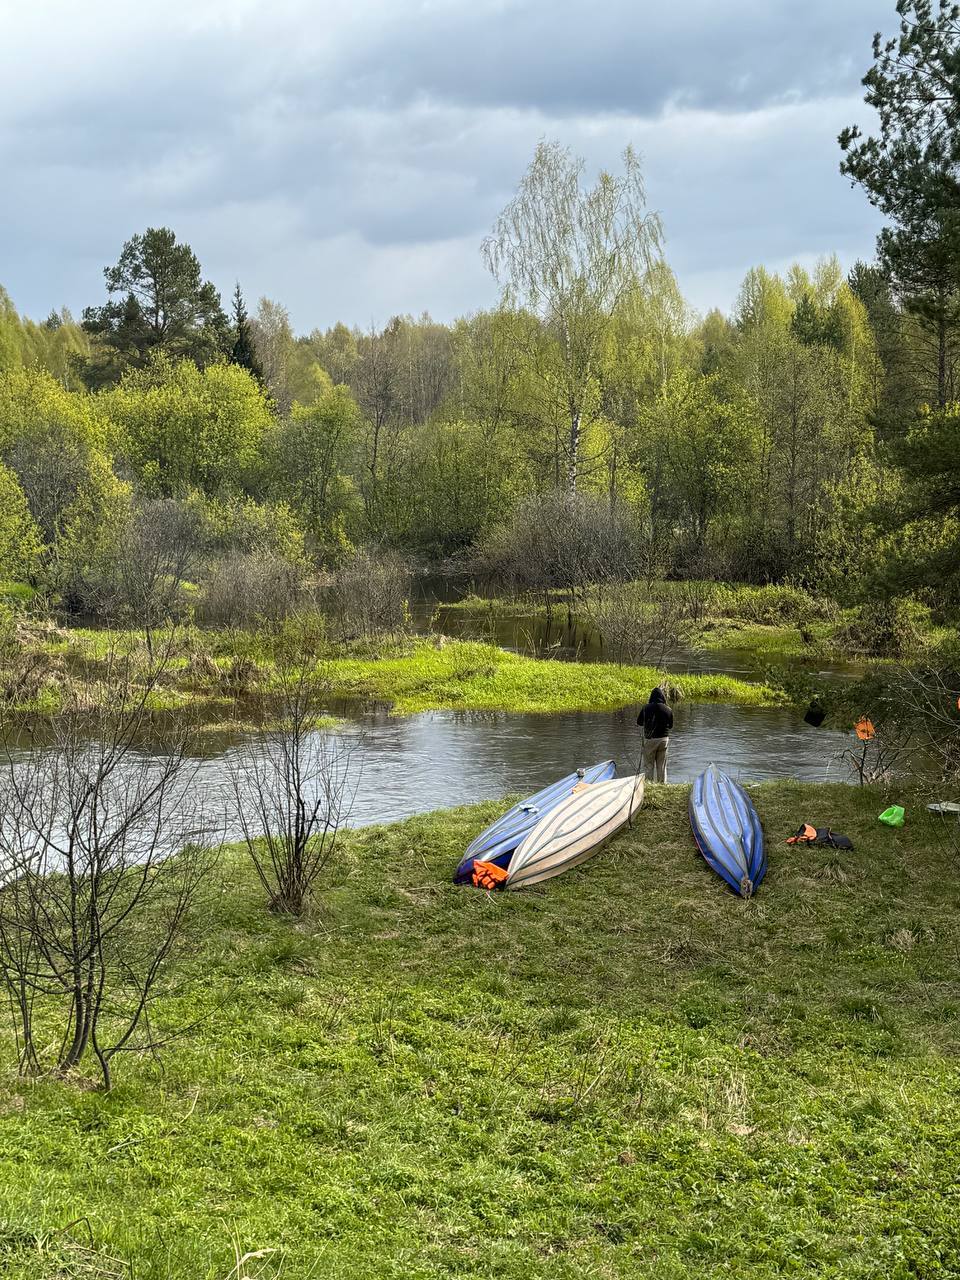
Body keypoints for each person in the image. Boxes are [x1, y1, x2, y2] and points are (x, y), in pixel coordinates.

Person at [637, 686, 673, 783]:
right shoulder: (668, 709)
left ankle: (649, 784)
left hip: (650, 739)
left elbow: (639, 722)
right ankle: (662, 784)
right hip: (664, 740)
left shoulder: (646, 708)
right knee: (662, 765)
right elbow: (670, 726)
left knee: (649, 765)